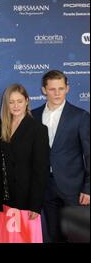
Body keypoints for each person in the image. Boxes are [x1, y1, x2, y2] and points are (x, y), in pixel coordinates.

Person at [32, 70, 90, 242]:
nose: (57, 93)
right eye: (52, 89)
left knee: (78, 237)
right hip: (46, 188)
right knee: (53, 236)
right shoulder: (33, 116)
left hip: (74, 189)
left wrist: (88, 188)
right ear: (44, 90)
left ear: (67, 89)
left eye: (61, 88)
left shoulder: (80, 116)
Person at [0, 84, 50, 243]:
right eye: (11, 102)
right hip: (2, 200)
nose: (16, 106)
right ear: (6, 104)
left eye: (19, 101)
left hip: (26, 201)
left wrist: (35, 205)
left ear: (27, 101)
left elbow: (41, 170)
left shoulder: (38, 129)